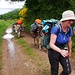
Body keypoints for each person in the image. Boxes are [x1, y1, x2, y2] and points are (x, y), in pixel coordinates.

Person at [48, 10, 75, 75]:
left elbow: (69, 41)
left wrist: (69, 51)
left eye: (73, 20)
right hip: (53, 51)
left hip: (63, 49)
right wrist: (60, 51)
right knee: (54, 71)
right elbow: (51, 44)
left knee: (67, 71)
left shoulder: (70, 29)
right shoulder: (56, 28)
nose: (71, 22)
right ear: (64, 20)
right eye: (70, 20)